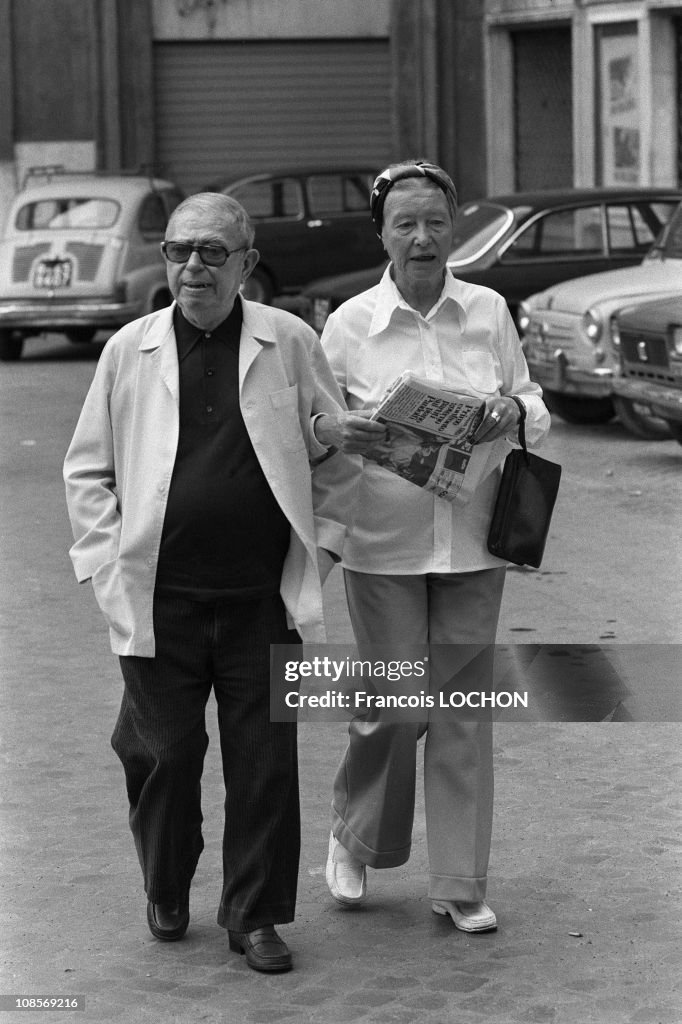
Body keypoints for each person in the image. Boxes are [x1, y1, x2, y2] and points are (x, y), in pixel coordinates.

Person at [63, 192, 357, 973]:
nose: (192, 266)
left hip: (263, 599)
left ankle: (254, 916)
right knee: (161, 756)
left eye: (211, 252)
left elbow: (338, 458)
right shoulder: (130, 348)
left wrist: (318, 553)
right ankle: (165, 883)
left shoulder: (290, 341)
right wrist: (100, 562)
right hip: (159, 599)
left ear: (247, 264)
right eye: (177, 250)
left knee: (266, 765)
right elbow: (86, 470)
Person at [313, 160, 550, 933]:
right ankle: (355, 835)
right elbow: (317, 432)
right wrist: (343, 430)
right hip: (383, 543)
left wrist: (504, 411)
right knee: (391, 706)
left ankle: (460, 881)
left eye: (436, 222)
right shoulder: (347, 324)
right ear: (381, 232)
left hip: (474, 543)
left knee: (461, 711)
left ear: (455, 229)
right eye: (405, 223)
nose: (422, 238)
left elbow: (533, 404)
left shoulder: (487, 310)